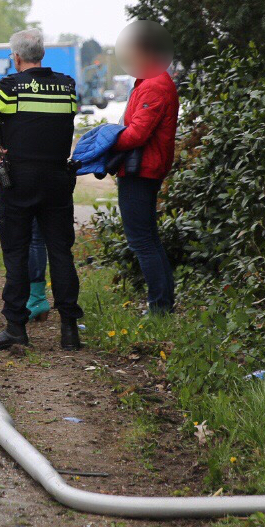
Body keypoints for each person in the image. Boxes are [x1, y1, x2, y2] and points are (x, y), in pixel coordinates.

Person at [0, 28, 82, 350]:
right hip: (58, 177)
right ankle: (70, 330)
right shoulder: (67, 86)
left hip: (21, 179)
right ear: (41, 54)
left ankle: (16, 327)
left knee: (16, 251)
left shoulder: (10, 88)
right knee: (60, 252)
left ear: (16, 57)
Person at [109, 19, 180, 312]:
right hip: (144, 169)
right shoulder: (148, 82)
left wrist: (107, 141)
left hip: (142, 171)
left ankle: (159, 307)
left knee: (142, 241)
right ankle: (162, 303)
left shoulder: (154, 85)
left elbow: (137, 133)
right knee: (149, 238)